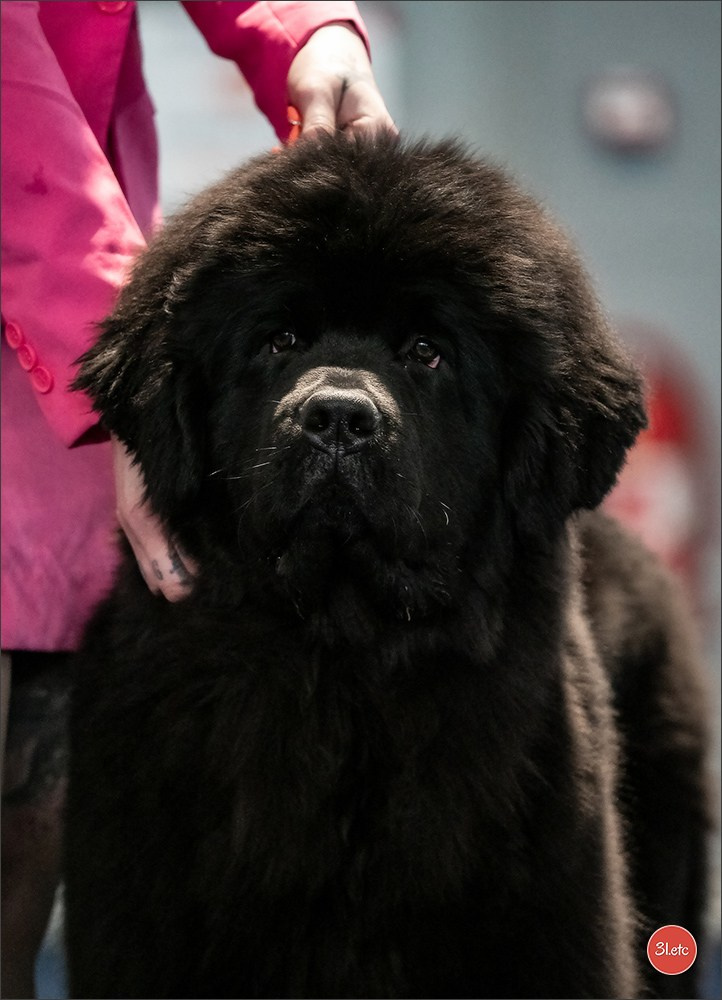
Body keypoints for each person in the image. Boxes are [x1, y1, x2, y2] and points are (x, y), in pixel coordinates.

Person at [1, 3, 395, 995]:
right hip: (60, 248)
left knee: (31, 820)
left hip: (70, 290)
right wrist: (127, 364)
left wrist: (309, 32)